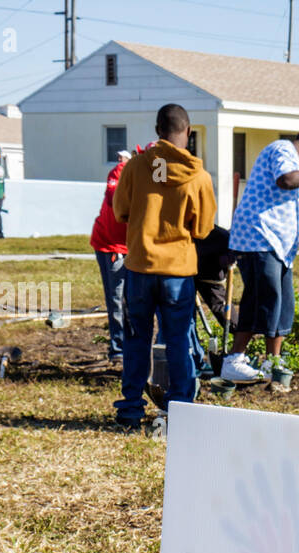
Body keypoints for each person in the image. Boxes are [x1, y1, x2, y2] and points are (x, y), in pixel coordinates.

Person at [111, 104, 217, 426]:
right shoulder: (198, 176)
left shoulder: (138, 166)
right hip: (177, 273)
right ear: (188, 132)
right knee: (178, 341)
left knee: (136, 340)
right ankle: (179, 409)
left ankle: (130, 408)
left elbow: (120, 211)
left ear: (158, 130)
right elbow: (203, 229)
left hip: (141, 267)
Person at [221, 126, 299, 383]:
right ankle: (234, 360)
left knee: (283, 303)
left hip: (278, 244)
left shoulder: (297, 170)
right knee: (261, 297)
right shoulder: (282, 150)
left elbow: (294, 219)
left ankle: (272, 361)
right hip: (257, 237)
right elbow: (285, 180)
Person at [90, 149, 130, 364]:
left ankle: (127, 346)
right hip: (110, 244)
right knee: (116, 298)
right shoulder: (122, 173)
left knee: (128, 300)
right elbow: (113, 198)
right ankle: (119, 349)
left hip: (123, 245)